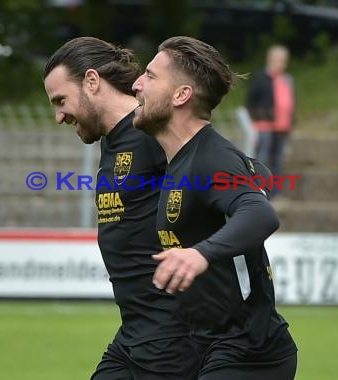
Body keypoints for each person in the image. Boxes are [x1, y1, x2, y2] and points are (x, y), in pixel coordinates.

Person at [132, 36, 298, 380]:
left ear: (181, 95)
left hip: (248, 350)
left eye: (149, 76)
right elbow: (254, 176)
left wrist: (200, 254)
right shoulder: (184, 159)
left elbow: (261, 213)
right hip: (203, 345)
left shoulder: (209, 158)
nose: (137, 85)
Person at [43, 37, 199, 380]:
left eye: (61, 100)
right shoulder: (114, 140)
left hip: (173, 337)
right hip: (134, 334)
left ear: (92, 82)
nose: (58, 116)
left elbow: (231, 178)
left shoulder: (154, 132)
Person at [245, 44, 295, 196]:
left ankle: (275, 192)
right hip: (264, 125)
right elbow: (250, 102)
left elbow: (291, 102)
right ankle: (258, 189)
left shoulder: (287, 79)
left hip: (282, 126)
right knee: (262, 158)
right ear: (270, 59)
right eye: (277, 60)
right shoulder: (261, 78)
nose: (280, 63)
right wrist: (260, 116)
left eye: (283, 60)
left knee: (278, 160)